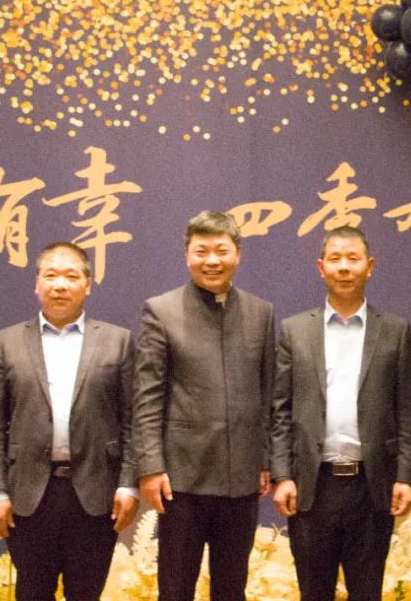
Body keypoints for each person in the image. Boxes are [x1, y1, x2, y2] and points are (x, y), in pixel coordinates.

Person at [0, 242, 138, 601]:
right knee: (32, 593)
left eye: (71, 276)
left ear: (88, 284)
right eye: (51, 275)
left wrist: (129, 485)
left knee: (86, 593)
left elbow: (132, 422)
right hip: (29, 494)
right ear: (37, 284)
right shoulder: (5, 343)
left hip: (96, 494)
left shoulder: (118, 341)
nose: (60, 285)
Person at [133, 210, 275, 601]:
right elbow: (147, 396)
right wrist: (151, 466)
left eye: (221, 251)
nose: (212, 260)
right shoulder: (161, 311)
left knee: (231, 589)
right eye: (202, 251)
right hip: (182, 481)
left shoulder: (261, 313)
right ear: (187, 255)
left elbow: (267, 393)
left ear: (237, 254)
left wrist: (265, 459)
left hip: (241, 480)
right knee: (176, 589)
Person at [271, 226, 411, 601]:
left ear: (370, 266)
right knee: (314, 592)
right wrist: (282, 475)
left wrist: (405, 476)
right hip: (312, 486)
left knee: (367, 592)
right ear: (321, 267)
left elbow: (404, 409)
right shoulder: (295, 330)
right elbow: (280, 411)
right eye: (335, 259)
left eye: (353, 258)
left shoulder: (395, 330)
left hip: (371, 485)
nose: (344, 267)